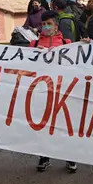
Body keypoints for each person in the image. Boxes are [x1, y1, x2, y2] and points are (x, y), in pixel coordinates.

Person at [30, 11, 79, 173]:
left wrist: (86, 44)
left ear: (56, 26)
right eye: (43, 24)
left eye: (48, 24)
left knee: (65, 125)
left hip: (63, 91)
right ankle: (45, 157)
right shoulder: (34, 44)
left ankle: (71, 157)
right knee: (44, 125)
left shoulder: (67, 43)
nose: (45, 27)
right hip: (42, 91)